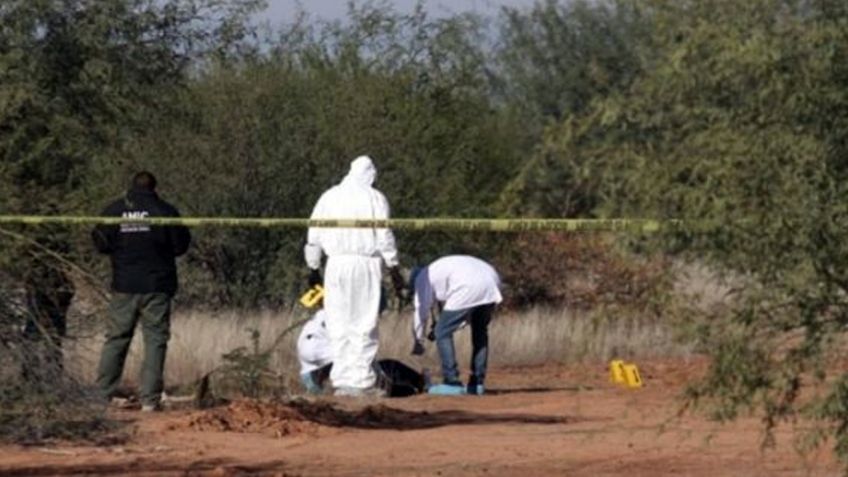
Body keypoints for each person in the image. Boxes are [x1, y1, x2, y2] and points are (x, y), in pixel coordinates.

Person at [304, 155, 404, 397]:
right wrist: (393, 266)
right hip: (365, 264)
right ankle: (360, 381)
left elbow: (313, 233)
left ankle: (343, 380)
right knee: (363, 322)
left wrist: (313, 267)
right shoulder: (375, 198)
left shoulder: (329, 196)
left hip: (335, 266)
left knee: (338, 322)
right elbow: (384, 234)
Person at [91, 171, 191, 412]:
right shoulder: (165, 211)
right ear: (154, 188)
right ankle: (149, 399)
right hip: (157, 286)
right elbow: (181, 246)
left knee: (116, 338)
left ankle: (102, 395)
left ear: (131, 187)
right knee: (155, 341)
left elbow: (99, 242)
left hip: (124, 286)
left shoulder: (114, 210)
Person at [410, 255, 502, 396]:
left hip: (468, 285)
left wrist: (418, 340)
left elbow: (421, 311)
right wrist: (447, 325)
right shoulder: (438, 269)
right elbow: (461, 314)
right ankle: (477, 383)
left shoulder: (422, 278)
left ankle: (451, 381)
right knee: (480, 331)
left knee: (442, 332)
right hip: (492, 280)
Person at [297, 308, 427, 397]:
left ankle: (415, 385)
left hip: (309, 373)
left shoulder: (327, 312)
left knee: (384, 368)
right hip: (326, 367)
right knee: (381, 374)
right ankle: (417, 386)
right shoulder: (345, 316)